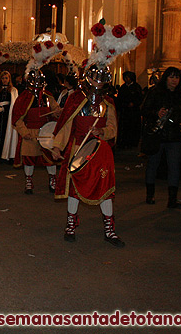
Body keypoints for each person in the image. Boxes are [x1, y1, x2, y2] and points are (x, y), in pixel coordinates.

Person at [51, 63, 123, 247]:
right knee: (74, 189)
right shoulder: (75, 99)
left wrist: (103, 132)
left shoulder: (109, 102)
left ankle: (109, 228)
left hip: (100, 152)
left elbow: (113, 128)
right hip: (78, 149)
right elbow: (66, 125)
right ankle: (71, 225)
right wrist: (57, 146)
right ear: (87, 78)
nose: (97, 83)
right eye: (94, 79)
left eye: (101, 80)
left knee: (104, 189)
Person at [141, 67, 181, 209]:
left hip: (174, 135)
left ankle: (172, 199)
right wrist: (157, 113)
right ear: (166, 78)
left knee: (174, 166)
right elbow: (144, 110)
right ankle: (150, 195)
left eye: (177, 77)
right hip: (157, 134)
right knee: (153, 164)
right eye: (171, 77)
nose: (174, 80)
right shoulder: (155, 92)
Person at [12, 69, 59, 193]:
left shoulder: (48, 96)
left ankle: (52, 180)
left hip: (46, 132)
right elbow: (17, 117)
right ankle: (28, 180)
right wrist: (24, 132)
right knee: (29, 158)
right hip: (30, 132)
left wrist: (59, 112)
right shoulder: (24, 98)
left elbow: (56, 110)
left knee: (50, 158)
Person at [117, 71, 143, 148]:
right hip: (125, 111)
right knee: (125, 127)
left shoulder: (136, 87)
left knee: (133, 127)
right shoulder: (123, 87)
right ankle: (124, 142)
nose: (126, 79)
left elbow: (140, 98)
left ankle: (133, 142)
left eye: (127, 77)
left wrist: (134, 103)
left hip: (133, 112)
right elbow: (120, 99)